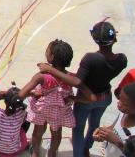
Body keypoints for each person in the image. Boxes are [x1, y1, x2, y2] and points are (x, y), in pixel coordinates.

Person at [37, 21, 127, 157]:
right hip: (105, 97)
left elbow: (77, 81)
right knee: (94, 124)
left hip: (85, 99)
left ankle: (79, 154)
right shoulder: (122, 59)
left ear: (93, 38)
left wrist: (50, 69)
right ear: (114, 38)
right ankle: (86, 148)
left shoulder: (90, 58)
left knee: (78, 129)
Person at [20, 39, 75, 157]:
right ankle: (52, 153)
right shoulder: (71, 77)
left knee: (38, 132)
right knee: (56, 133)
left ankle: (35, 152)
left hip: (42, 109)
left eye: (47, 50)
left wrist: (31, 94)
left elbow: (22, 94)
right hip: (59, 112)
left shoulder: (42, 77)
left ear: (52, 57)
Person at [93, 82, 135, 157]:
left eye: (125, 104)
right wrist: (103, 132)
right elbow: (113, 128)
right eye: (120, 99)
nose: (119, 104)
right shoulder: (124, 113)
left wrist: (117, 142)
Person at [0, 86, 29, 157]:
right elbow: (26, 109)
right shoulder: (22, 113)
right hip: (14, 151)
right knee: (23, 124)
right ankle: (25, 143)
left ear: (5, 101)